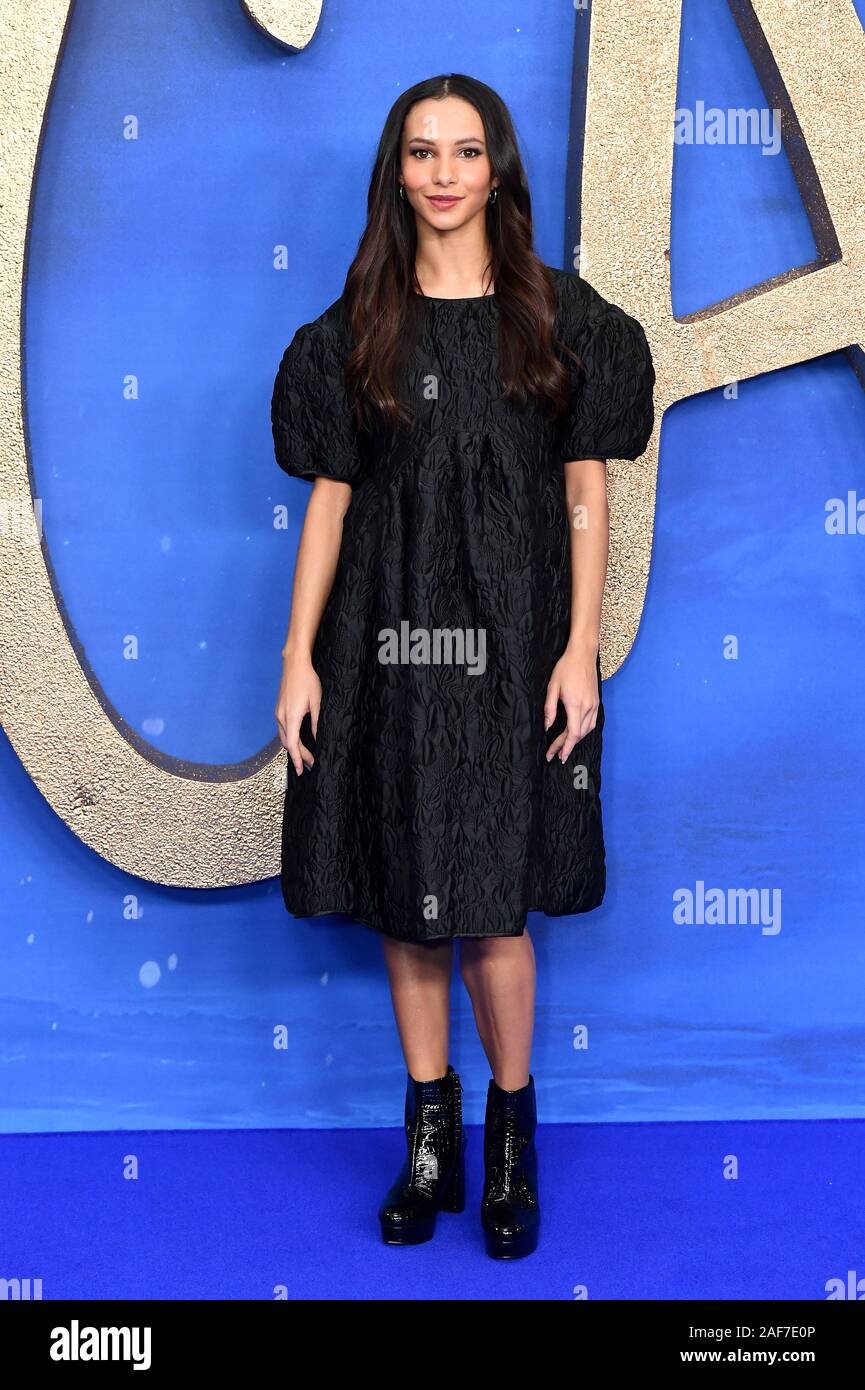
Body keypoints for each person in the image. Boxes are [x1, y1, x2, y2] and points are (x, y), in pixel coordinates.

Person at [271, 73, 655, 1259]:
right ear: (397, 172)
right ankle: (427, 1142)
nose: (445, 173)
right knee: (407, 895)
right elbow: (330, 505)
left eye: (467, 151)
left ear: (498, 171)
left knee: (493, 906)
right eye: (423, 152)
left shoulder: (561, 320)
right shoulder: (353, 332)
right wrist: (298, 660)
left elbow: (587, 490)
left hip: (515, 649)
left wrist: (577, 650)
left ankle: (508, 1138)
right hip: (383, 644)